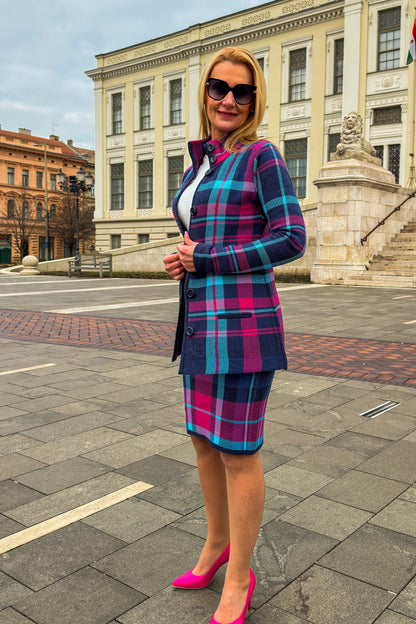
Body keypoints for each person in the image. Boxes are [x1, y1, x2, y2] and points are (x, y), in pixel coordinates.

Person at [163, 46, 306, 624]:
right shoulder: (199, 164)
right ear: (205, 93)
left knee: (239, 452)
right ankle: (215, 546)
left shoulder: (261, 156)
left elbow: (292, 238)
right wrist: (185, 261)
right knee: (202, 440)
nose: (228, 99)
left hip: (243, 327)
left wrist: (210, 259)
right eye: (218, 88)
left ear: (254, 101)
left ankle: (241, 576)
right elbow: (205, 243)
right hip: (199, 323)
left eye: (241, 91)